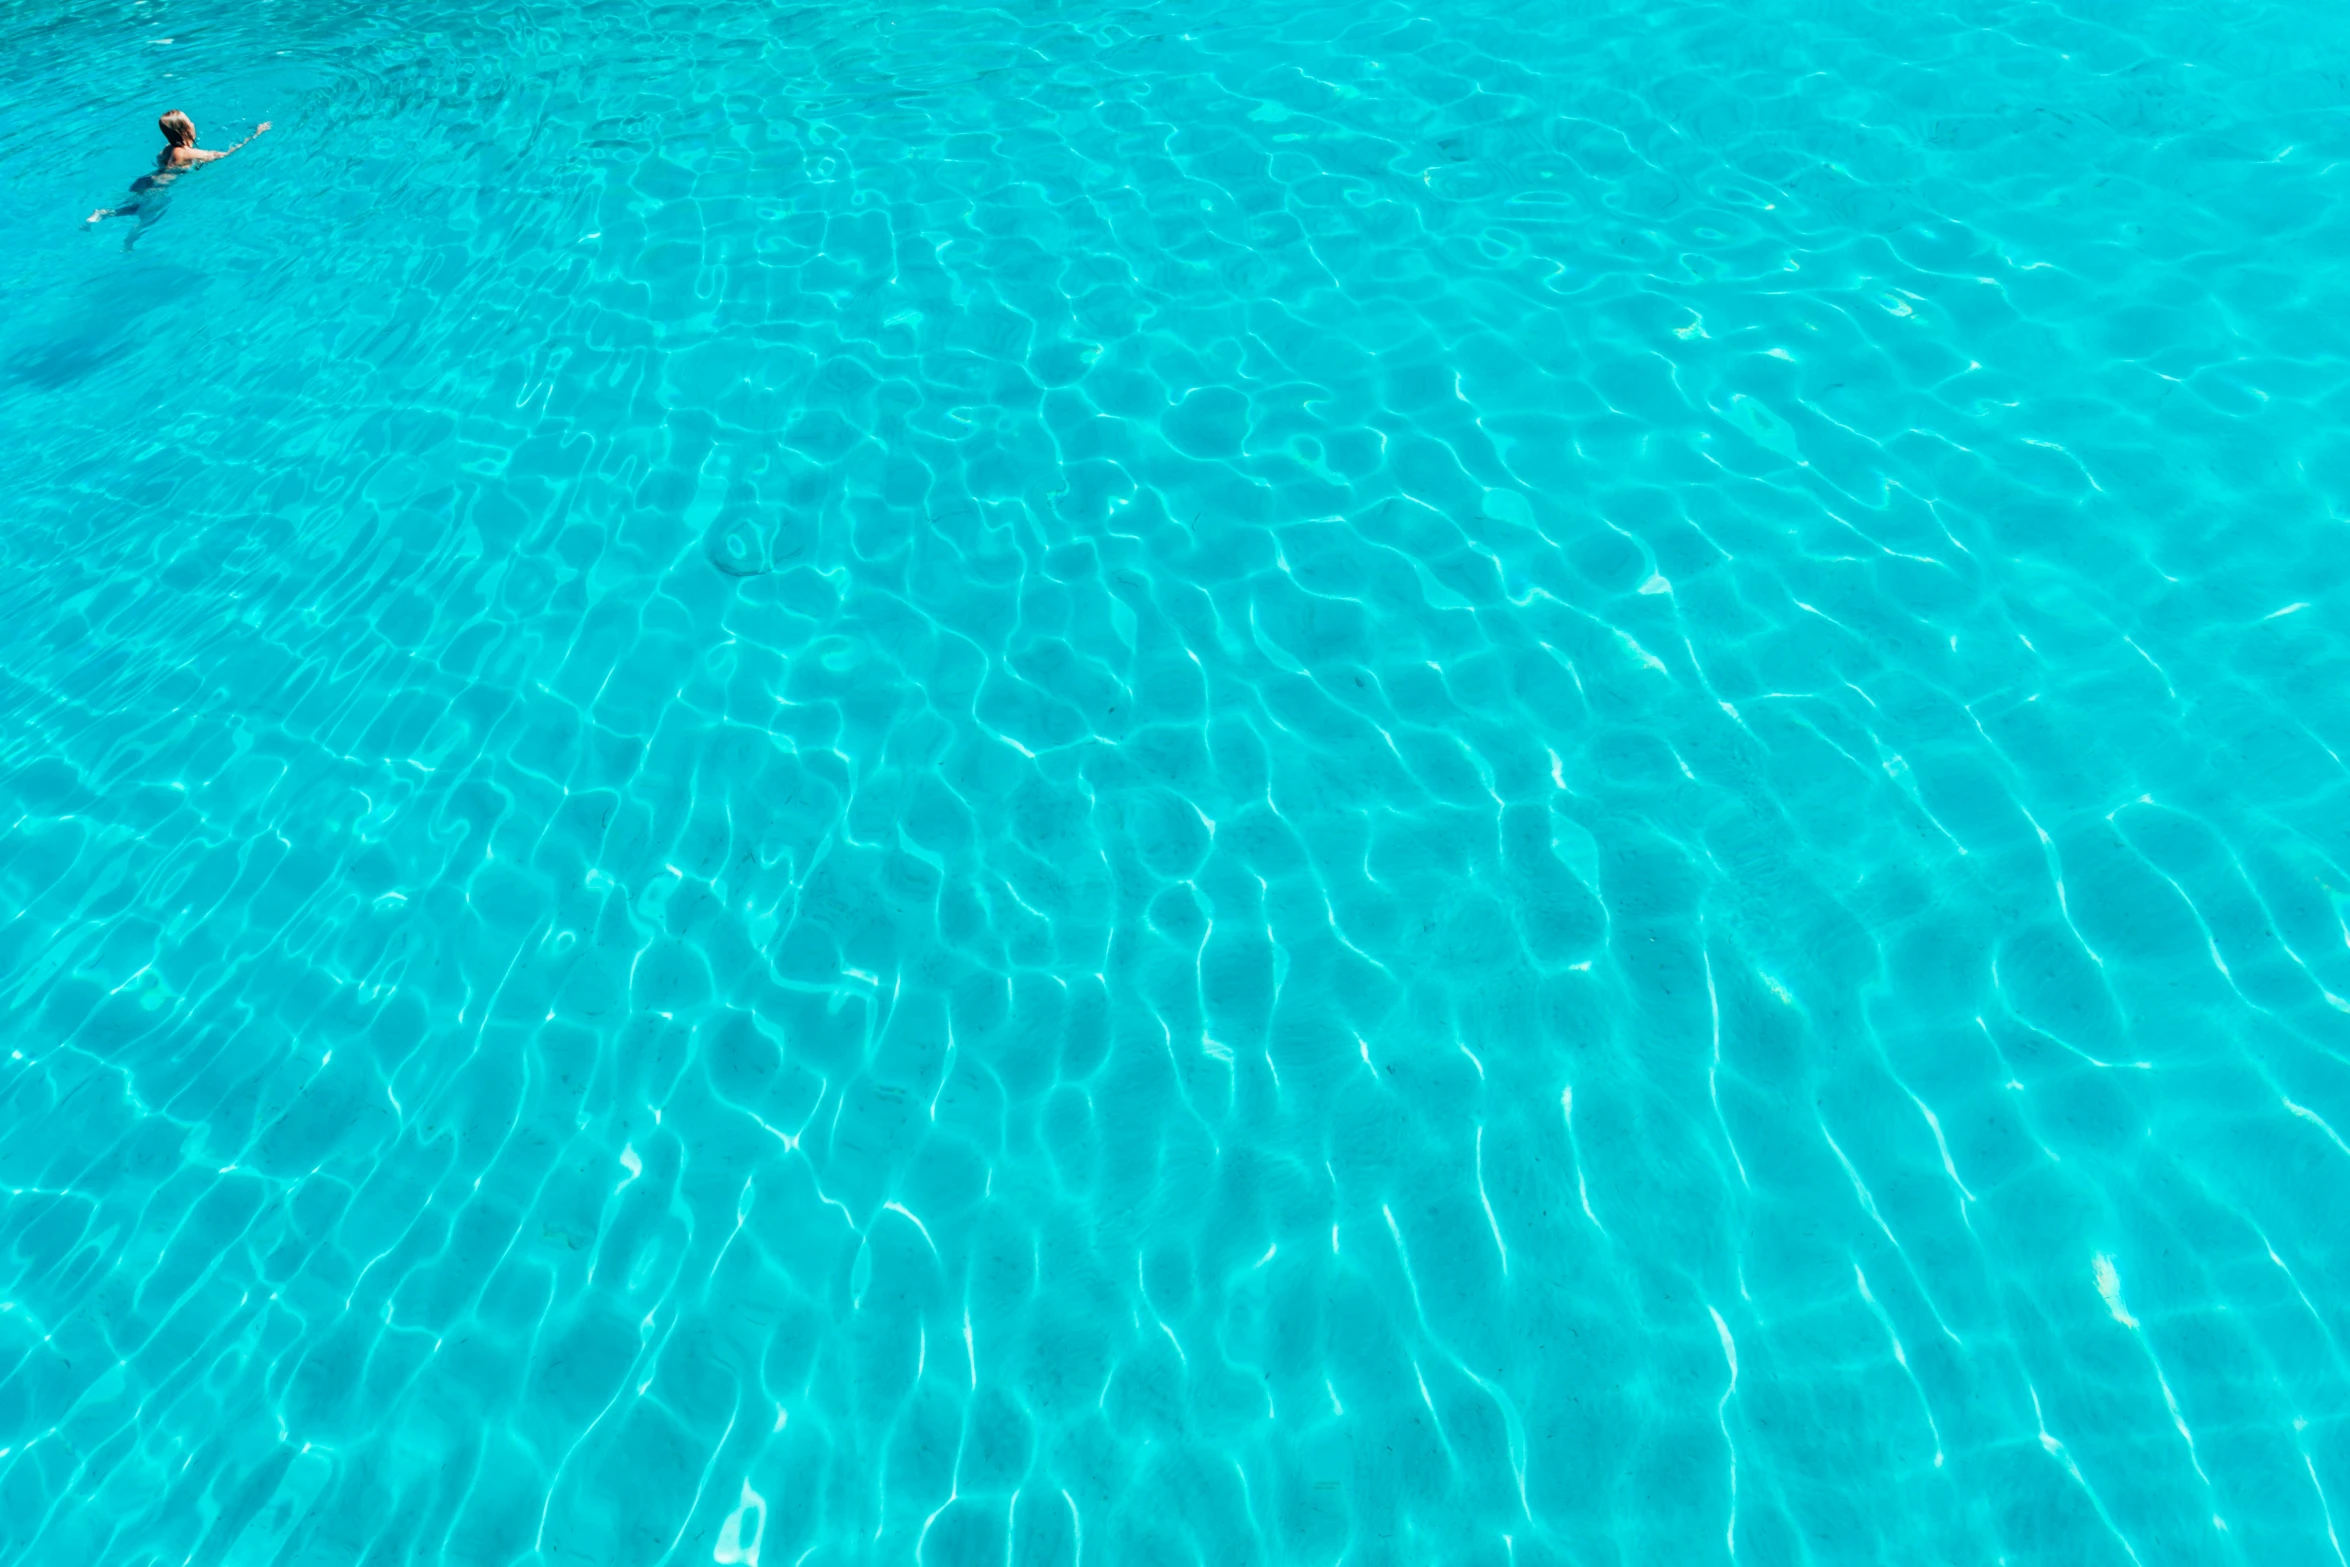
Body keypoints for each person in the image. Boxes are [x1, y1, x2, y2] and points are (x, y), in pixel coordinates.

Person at [86, 111, 270, 242]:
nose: (194, 124)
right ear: (185, 131)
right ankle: (128, 244)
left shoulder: (166, 149)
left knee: (138, 207)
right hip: (158, 191)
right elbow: (225, 154)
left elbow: (160, 162)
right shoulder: (188, 153)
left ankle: (104, 213)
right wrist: (256, 134)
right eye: (190, 123)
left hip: (146, 182)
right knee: (147, 219)